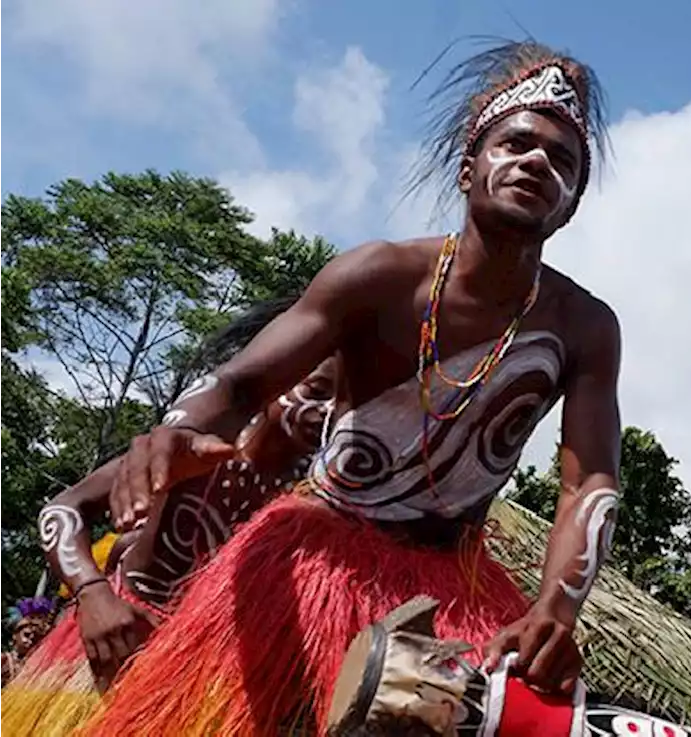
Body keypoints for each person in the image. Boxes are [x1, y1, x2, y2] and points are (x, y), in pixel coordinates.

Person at [83, 37, 621, 736]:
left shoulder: (585, 326)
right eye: (515, 144)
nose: (537, 162)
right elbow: (243, 384)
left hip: (451, 582)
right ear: (468, 168)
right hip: (313, 556)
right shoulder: (376, 277)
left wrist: (556, 604)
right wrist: (174, 425)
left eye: (562, 160)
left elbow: (589, 481)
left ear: (570, 204)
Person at [0, 298, 342, 736]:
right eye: (315, 391)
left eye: (342, 403)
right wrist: (93, 595)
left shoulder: (315, 493)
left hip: (196, 685)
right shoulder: (197, 444)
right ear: (272, 382)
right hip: (98, 663)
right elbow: (64, 506)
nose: (326, 414)